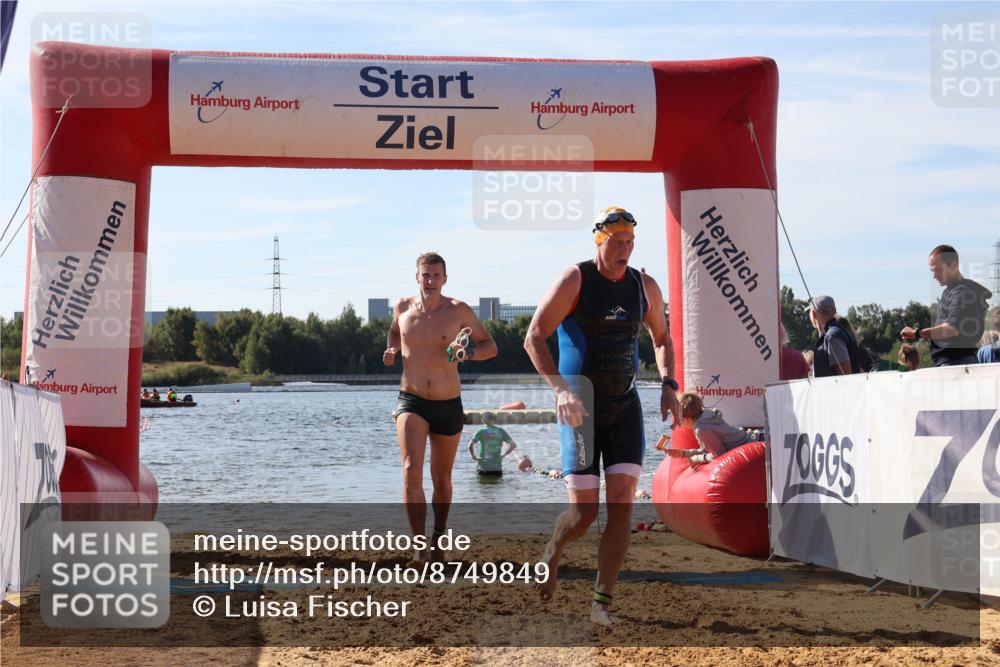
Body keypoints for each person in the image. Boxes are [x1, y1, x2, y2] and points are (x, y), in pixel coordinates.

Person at [523, 206, 680, 626]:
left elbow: (662, 338)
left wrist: (669, 385)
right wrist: (559, 391)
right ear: (599, 241)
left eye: (630, 243)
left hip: (625, 406)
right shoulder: (575, 280)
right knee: (584, 515)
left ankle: (600, 604)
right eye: (616, 243)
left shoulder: (644, 286)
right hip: (580, 410)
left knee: (623, 507)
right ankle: (554, 551)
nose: (624, 250)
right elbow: (533, 336)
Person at [385, 252, 497, 564]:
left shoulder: (458, 310)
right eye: (426, 275)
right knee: (411, 470)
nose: (431, 281)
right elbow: (396, 331)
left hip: (448, 402)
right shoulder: (403, 307)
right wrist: (393, 348)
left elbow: (491, 346)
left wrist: (467, 353)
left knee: (442, 478)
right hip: (411, 398)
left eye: (436, 276)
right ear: (417, 277)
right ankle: (419, 547)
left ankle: (438, 540)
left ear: (444, 279)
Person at [901, 245, 992, 366]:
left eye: (938, 270)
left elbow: (952, 329)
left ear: (954, 266)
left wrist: (917, 333)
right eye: (932, 271)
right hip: (958, 360)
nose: (934, 276)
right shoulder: (955, 291)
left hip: (953, 363)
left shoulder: (961, 293)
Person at [665, 393, 762, 466]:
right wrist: (684, 453)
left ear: (686, 419)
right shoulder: (706, 416)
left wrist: (697, 459)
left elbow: (719, 455)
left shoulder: (701, 429)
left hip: (757, 445)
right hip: (758, 438)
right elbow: (709, 450)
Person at [808, 295, 861, 377]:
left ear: (814, 314)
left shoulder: (833, 336)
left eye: (810, 312)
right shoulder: (834, 333)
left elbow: (846, 376)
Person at [467, 412, 517, 476]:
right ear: (493, 420)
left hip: (483, 466)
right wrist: (504, 455)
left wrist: (474, 457)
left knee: (482, 485)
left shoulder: (481, 431)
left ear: (483, 420)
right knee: (497, 485)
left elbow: (470, 446)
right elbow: (513, 445)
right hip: (497, 468)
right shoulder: (501, 431)